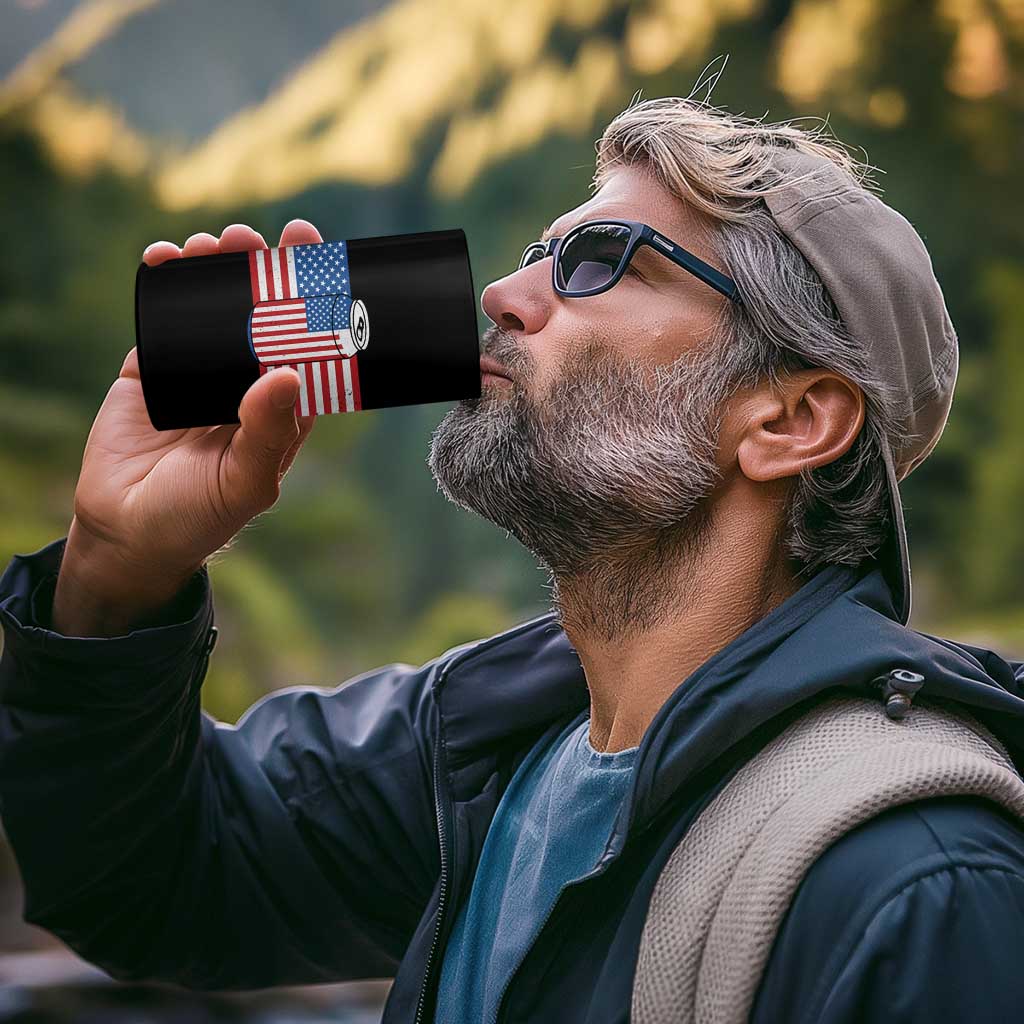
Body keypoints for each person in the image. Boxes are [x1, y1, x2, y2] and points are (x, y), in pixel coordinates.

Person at [2, 95, 1024, 1024]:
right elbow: (149, 879)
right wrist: (115, 572)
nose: (503, 291)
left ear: (791, 419)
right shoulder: (479, 749)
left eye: (599, 261)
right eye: (540, 252)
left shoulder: (918, 884)